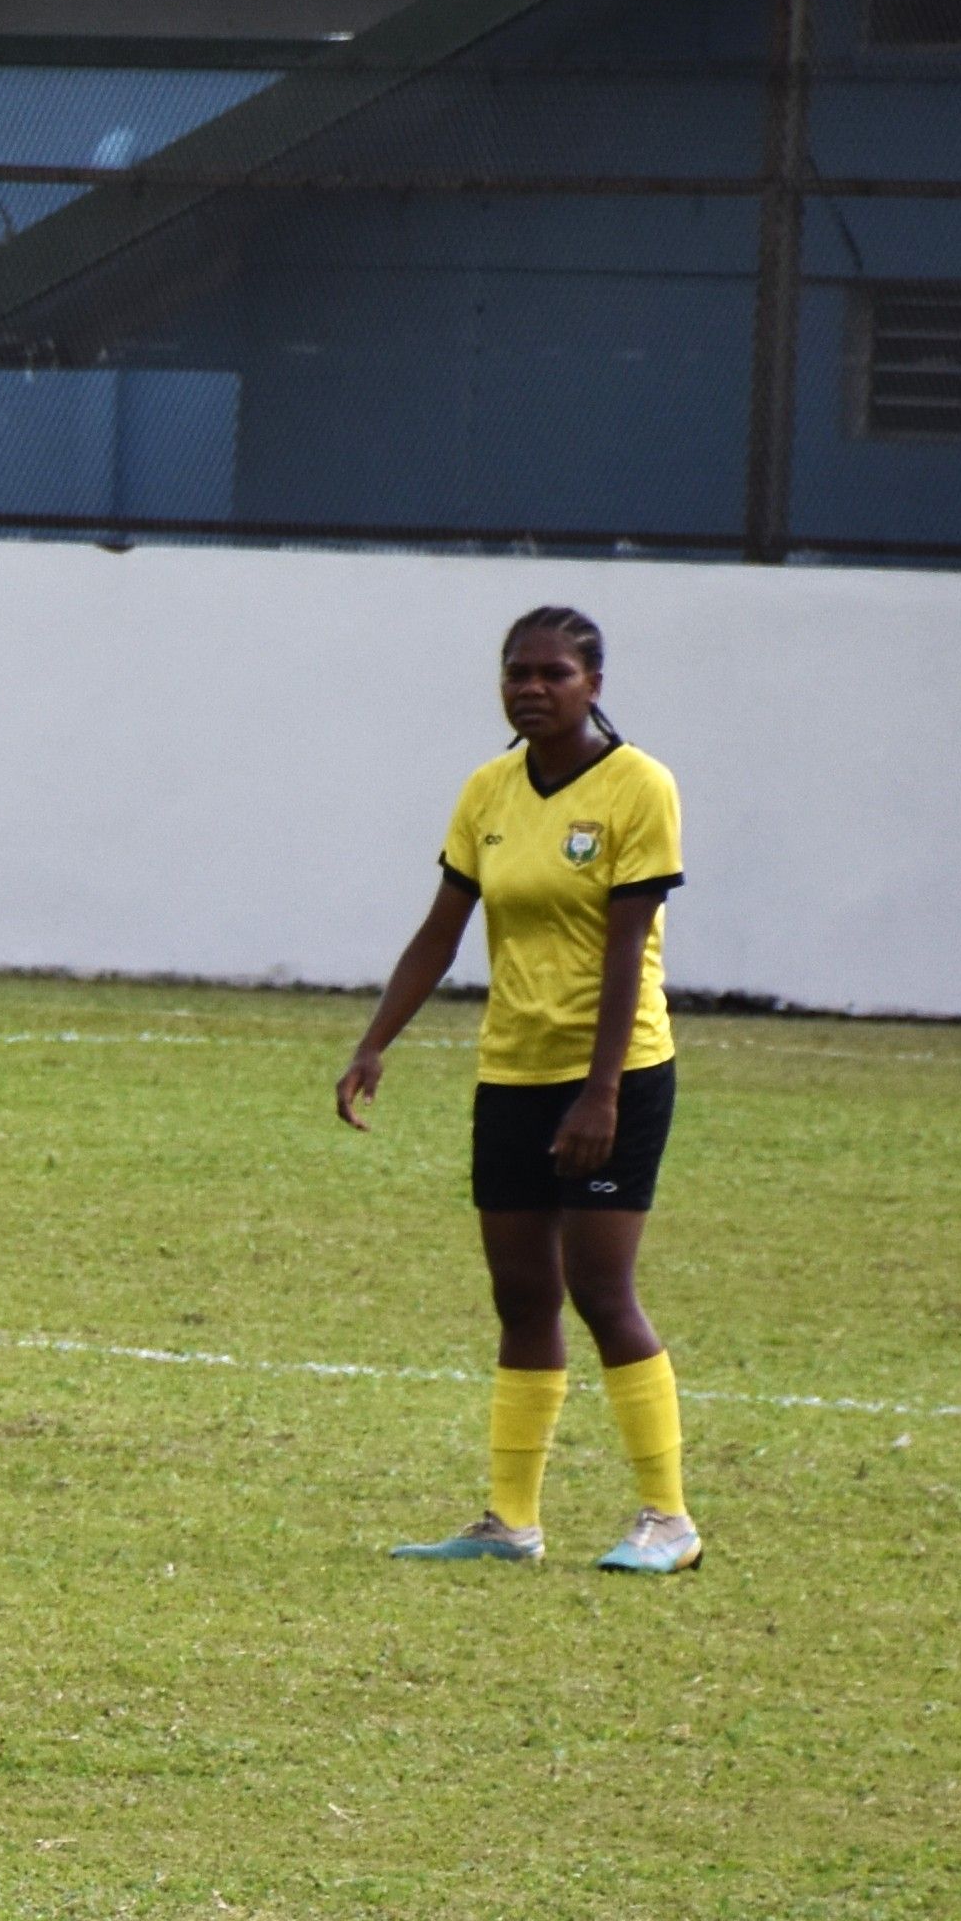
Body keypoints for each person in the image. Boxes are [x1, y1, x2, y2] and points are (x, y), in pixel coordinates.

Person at [337, 607, 700, 1576]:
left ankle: (666, 1517)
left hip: (613, 1077)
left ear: (592, 683)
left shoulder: (638, 787)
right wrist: (375, 1042)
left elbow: (629, 952)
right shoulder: (487, 790)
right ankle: (510, 1520)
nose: (530, 687)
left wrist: (601, 1094)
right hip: (510, 1072)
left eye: (552, 673)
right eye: (516, 673)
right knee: (521, 1294)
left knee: (600, 1290)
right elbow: (441, 930)